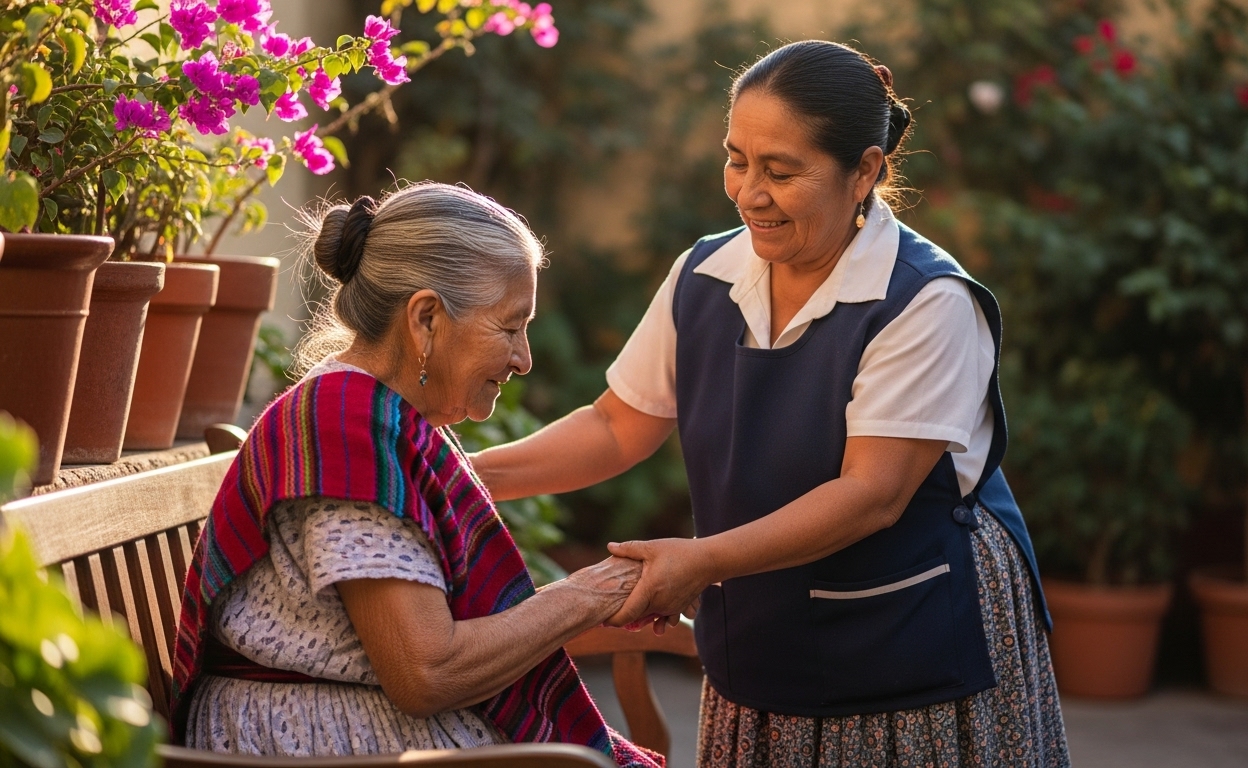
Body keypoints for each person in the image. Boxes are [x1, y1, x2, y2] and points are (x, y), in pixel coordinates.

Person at [471, 41, 1071, 766]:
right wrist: (465, 477)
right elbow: (617, 424)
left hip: (907, 632)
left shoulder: (925, 301)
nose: (748, 191)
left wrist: (699, 560)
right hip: (764, 612)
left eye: (780, 171)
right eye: (736, 160)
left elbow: (871, 495)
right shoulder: (704, 276)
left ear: (865, 173)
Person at [169, 183, 661, 768]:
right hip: (304, 744)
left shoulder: (376, 416)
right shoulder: (345, 427)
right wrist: (592, 592)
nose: (524, 358)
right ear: (425, 318)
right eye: (509, 327)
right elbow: (426, 671)